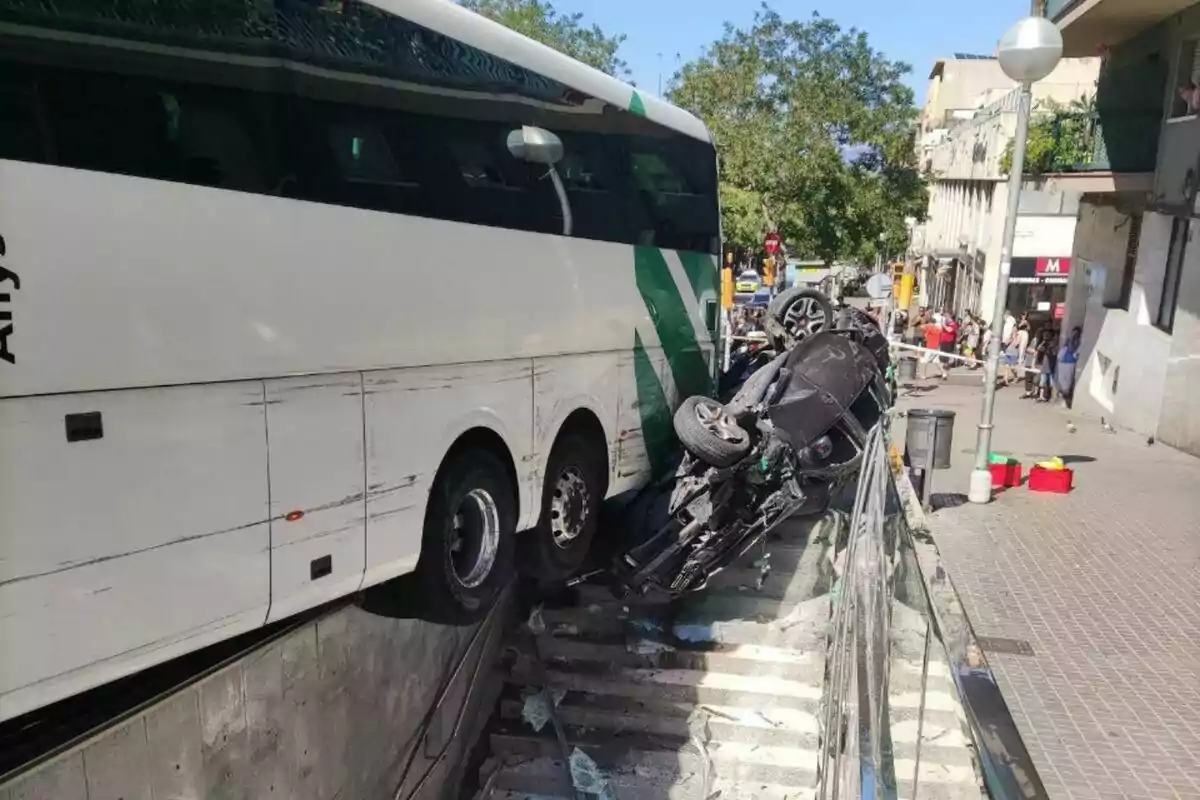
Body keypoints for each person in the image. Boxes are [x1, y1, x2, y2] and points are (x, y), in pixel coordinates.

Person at [1057, 326, 1082, 408]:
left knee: (1067, 381)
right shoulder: (1069, 341)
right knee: (1062, 380)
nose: (1073, 334)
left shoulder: (1077, 341)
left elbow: (1073, 350)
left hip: (1070, 362)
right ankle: (1064, 398)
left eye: (1075, 333)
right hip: (1063, 362)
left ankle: (1066, 400)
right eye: (1073, 332)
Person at [938, 313, 960, 380]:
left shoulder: (953, 324)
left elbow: (949, 330)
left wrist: (943, 325)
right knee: (941, 358)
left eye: (946, 317)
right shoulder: (946, 324)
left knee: (945, 359)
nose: (945, 318)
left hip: (948, 342)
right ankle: (943, 372)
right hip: (943, 341)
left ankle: (945, 373)